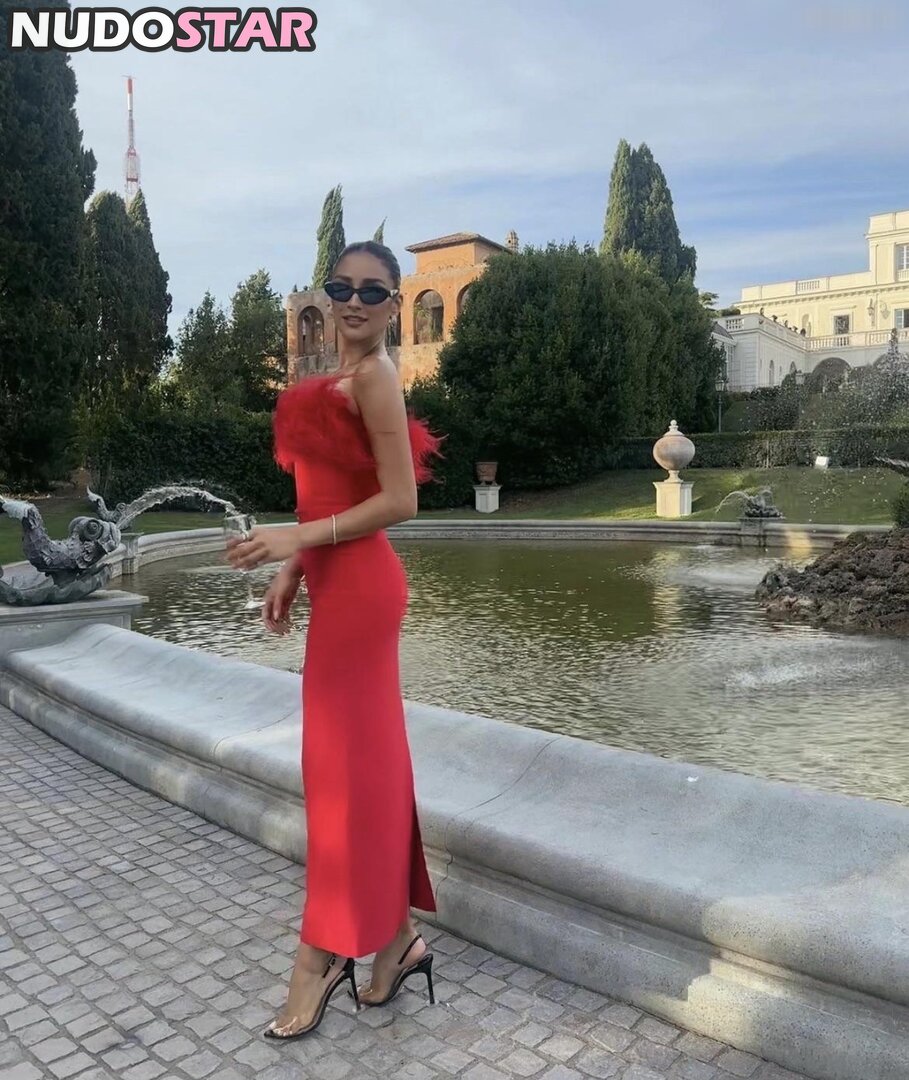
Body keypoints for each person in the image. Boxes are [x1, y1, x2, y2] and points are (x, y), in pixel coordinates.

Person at [226, 241, 443, 1040]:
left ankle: (319, 957)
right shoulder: (335, 380)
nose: (354, 301)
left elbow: (401, 500)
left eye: (372, 291)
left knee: (343, 778)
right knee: (353, 769)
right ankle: (395, 943)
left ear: (393, 303)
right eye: (340, 286)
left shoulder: (378, 377)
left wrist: (294, 540)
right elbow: (332, 493)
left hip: (363, 595)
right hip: (335, 588)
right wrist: (294, 570)